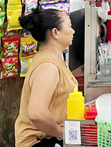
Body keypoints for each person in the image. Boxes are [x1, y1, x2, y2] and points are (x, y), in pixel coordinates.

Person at [15, 9, 77, 147]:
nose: (73, 31)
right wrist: (61, 134)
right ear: (55, 32)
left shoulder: (55, 59)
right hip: (40, 141)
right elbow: (37, 113)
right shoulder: (48, 66)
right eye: (69, 25)